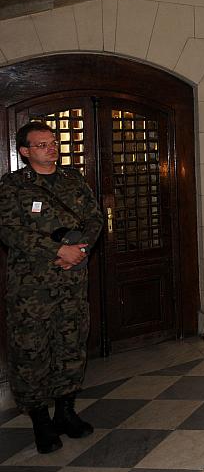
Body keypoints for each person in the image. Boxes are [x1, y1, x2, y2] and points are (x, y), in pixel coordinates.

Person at [0, 122, 103, 453]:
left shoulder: (73, 179)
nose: (50, 148)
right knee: (32, 352)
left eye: (53, 142)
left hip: (72, 280)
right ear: (25, 151)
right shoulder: (13, 186)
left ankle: (66, 412)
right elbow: (9, 230)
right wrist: (57, 250)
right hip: (32, 289)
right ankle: (40, 421)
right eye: (42, 144)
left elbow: (94, 218)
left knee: (71, 345)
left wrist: (80, 249)